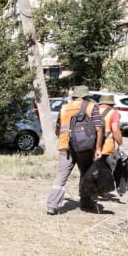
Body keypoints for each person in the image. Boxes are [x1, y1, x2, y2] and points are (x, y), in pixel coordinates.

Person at [46, 85, 103, 215]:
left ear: (74, 95)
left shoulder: (64, 108)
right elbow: (99, 128)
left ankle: (52, 205)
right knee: (86, 174)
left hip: (65, 146)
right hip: (85, 148)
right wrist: (98, 148)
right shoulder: (91, 106)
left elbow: (58, 129)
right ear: (86, 96)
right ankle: (86, 203)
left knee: (61, 175)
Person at [98, 94, 123, 159]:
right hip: (106, 148)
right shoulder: (113, 113)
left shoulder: (93, 110)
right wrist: (120, 144)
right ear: (111, 104)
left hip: (91, 146)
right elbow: (115, 130)